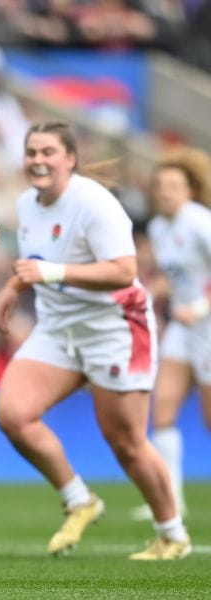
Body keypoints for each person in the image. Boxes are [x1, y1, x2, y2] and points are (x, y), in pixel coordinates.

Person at [0, 121, 192, 560]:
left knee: (126, 442)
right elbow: (38, 260)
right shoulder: (28, 203)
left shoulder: (95, 205)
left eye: (48, 152)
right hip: (59, 329)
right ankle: (79, 498)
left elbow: (123, 271)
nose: (38, 160)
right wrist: (14, 288)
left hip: (114, 328)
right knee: (13, 414)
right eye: (32, 152)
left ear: (69, 159)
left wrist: (51, 274)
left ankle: (172, 534)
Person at [131, 147, 211, 521]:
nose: (165, 192)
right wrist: (147, 293)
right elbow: (175, 276)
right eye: (161, 186)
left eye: (174, 186)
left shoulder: (199, 222)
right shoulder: (161, 227)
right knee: (162, 407)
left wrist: (201, 306)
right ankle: (170, 501)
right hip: (183, 327)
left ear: (191, 190)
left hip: (208, 324)